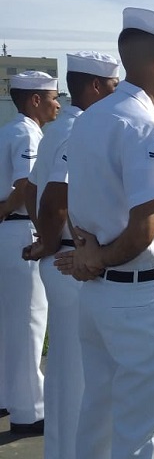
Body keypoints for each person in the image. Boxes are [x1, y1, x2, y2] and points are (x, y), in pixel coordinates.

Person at [53, 6, 154, 459]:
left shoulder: (91, 116)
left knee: (98, 418)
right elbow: (144, 228)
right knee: (144, 433)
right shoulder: (143, 124)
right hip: (139, 299)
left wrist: (90, 254)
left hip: (97, 298)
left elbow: (76, 200)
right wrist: (99, 258)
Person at [23, 51, 120, 458]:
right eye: (114, 87)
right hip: (70, 262)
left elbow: (29, 189)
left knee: (67, 367)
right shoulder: (79, 130)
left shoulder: (57, 130)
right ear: (95, 87)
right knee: (82, 372)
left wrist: (47, 238)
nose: (118, 94)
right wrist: (51, 240)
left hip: (61, 256)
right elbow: (55, 196)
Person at [0, 70, 60, 435]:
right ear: (34, 99)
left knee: (10, 321)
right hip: (19, 228)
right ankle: (29, 410)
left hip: (8, 230)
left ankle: (8, 395)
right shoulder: (26, 132)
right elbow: (26, 186)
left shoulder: (9, 129)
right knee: (28, 321)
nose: (58, 103)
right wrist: (43, 231)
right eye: (54, 96)